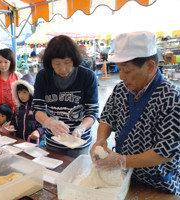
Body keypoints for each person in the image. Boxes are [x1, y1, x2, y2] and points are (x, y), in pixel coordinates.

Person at [90, 31, 180, 196]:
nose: (122, 76)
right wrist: (101, 140)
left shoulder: (172, 97)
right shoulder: (120, 89)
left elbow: (166, 151)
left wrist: (121, 161)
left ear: (150, 66)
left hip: (159, 183)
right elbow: (107, 118)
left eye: (127, 70)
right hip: (126, 177)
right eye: (119, 69)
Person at [32, 35, 99, 158]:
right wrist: (48, 122)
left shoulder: (87, 76)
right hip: (53, 140)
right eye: (57, 64)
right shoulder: (43, 76)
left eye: (67, 63)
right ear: (50, 62)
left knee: (76, 174)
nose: (63, 69)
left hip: (78, 142)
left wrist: (81, 128)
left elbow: (92, 112)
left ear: (74, 59)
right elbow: (37, 109)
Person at [9, 74, 45, 145]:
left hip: (35, 143)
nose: (21, 95)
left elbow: (46, 125)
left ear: (31, 92)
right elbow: (14, 121)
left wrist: (38, 131)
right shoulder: (18, 108)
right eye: (19, 92)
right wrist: (12, 126)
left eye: (25, 92)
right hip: (20, 141)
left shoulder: (38, 107)